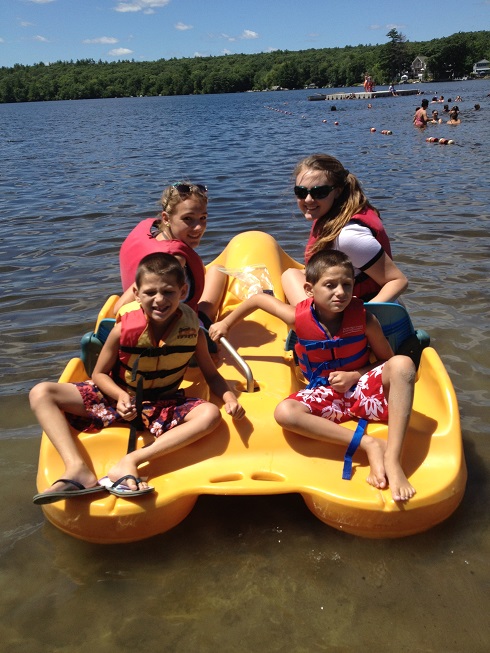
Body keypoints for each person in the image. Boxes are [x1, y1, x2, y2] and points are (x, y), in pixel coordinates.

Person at [30, 252, 245, 505]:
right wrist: (120, 396)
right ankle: (77, 468)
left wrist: (229, 397)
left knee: (210, 414)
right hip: (117, 398)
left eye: (168, 292)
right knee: (41, 392)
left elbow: (211, 375)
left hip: (162, 405)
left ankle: (130, 461)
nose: (159, 300)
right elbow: (98, 374)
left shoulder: (193, 334)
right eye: (150, 292)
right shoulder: (123, 331)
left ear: (183, 290)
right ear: (136, 292)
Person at [210, 250, 416, 502]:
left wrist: (354, 375)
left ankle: (393, 460)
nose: (340, 292)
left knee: (403, 364)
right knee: (285, 412)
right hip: (325, 394)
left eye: (346, 284)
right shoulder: (298, 318)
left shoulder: (365, 319)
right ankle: (369, 444)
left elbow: (386, 359)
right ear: (309, 289)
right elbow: (258, 301)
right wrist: (226, 324)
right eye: (330, 285)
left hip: (361, 387)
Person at [281, 153, 408, 307]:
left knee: (288, 277)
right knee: (290, 274)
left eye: (319, 192)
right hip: (342, 302)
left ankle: (313, 325)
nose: (308, 199)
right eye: (301, 192)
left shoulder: (348, 236)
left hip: (356, 312)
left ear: (338, 191)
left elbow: (398, 281)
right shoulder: (334, 215)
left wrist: (362, 318)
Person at [116, 181, 226, 324]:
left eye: (203, 218)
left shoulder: (149, 228)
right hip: (175, 325)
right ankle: (206, 320)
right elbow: (119, 308)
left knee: (217, 269)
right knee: (218, 271)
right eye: (188, 219)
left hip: (149, 301)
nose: (198, 227)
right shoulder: (173, 259)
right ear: (166, 218)